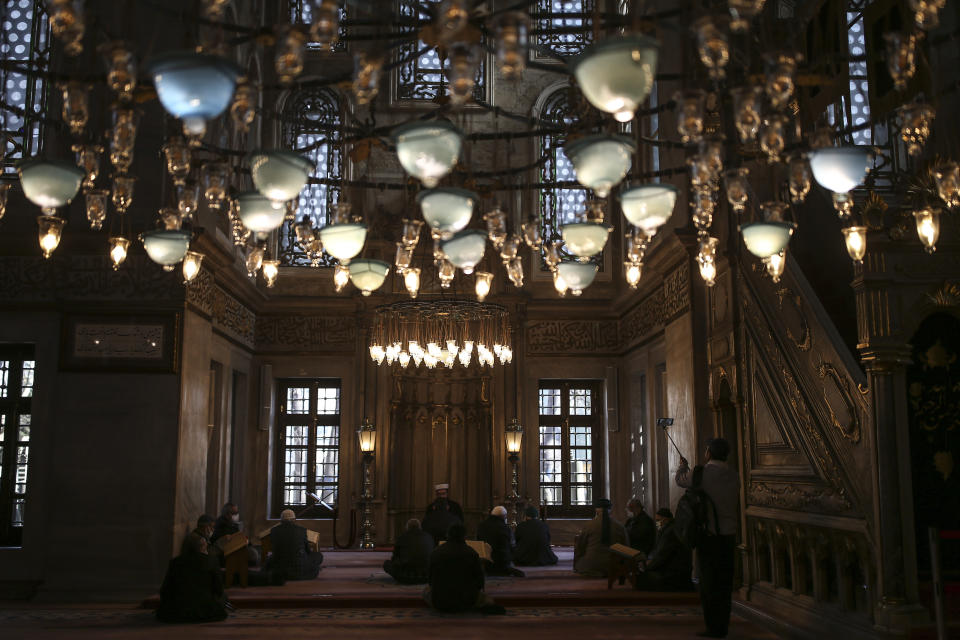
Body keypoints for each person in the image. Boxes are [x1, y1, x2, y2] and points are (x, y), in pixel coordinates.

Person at [676, 437, 740, 639]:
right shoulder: (734, 475)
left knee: (709, 585)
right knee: (724, 584)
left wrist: (682, 467)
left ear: (709, 453)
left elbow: (680, 480)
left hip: (709, 537)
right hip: (729, 537)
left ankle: (713, 627)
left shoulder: (701, 473)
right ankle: (723, 626)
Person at [423, 523, 504, 615]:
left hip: (440, 602)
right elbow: (480, 582)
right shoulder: (472, 553)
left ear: (448, 535)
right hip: (467, 602)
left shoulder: (436, 552)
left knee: (425, 591)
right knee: (487, 599)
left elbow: (429, 579)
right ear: (464, 536)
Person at [156, 533, 228, 624]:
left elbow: (165, 589)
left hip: (177, 610)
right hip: (205, 610)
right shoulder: (211, 561)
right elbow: (218, 589)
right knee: (224, 597)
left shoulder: (175, 562)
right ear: (202, 547)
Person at [634, 508, 693, 592]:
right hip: (678, 571)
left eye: (658, 520)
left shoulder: (669, 532)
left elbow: (661, 555)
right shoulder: (672, 528)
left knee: (641, 578)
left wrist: (647, 567)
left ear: (665, 520)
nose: (656, 523)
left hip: (674, 573)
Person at [573, 498, 629, 577]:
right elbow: (626, 546)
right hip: (614, 564)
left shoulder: (589, 525)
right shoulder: (620, 526)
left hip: (591, 565)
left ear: (596, 510)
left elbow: (580, 546)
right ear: (610, 510)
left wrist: (579, 560)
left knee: (581, 563)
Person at [266, 509, 324, 581]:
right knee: (318, 556)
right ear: (294, 520)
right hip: (299, 569)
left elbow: (275, 549)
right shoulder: (302, 530)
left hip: (280, 570)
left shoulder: (274, 530)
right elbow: (307, 550)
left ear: (281, 521)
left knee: (270, 558)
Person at [477, 506, 524, 577]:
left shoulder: (481, 526)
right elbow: (511, 546)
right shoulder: (505, 528)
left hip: (486, 563)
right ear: (504, 516)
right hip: (502, 563)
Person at [383, 518, 434, 584]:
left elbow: (395, 557)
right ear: (420, 527)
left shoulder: (402, 537)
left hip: (405, 577)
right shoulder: (428, 537)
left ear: (407, 527)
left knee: (386, 564)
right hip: (426, 577)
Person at [212, 502, 259, 567]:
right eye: (235, 513)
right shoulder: (220, 525)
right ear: (227, 514)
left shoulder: (231, 523)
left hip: (236, 549)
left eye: (237, 513)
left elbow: (239, 535)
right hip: (227, 554)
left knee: (253, 552)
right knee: (252, 554)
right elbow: (220, 540)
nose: (237, 515)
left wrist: (246, 541)